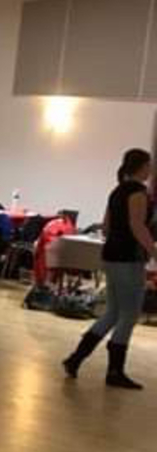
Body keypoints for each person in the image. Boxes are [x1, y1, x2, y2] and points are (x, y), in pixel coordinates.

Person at [63, 149, 155, 389]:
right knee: (129, 315)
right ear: (142, 166)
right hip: (129, 259)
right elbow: (137, 225)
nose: (151, 169)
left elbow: (106, 226)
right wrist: (153, 251)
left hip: (111, 256)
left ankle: (75, 359)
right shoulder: (138, 192)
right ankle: (114, 371)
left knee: (113, 312)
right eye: (149, 165)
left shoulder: (117, 191)